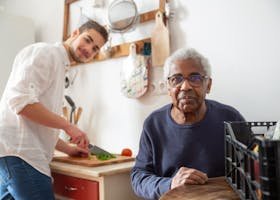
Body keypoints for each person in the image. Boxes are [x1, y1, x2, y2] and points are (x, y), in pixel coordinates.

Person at [0, 20, 108, 199]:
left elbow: (35, 124)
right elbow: (19, 102)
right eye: (87, 40)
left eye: (96, 48)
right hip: (22, 156)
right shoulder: (47, 53)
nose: (89, 49)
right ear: (74, 33)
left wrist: (68, 149)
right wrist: (68, 126)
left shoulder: (58, 63)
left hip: (13, 155)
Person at [131, 48, 245, 200]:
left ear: (208, 85)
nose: (185, 86)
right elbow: (139, 177)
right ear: (168, 88)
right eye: (176, 79)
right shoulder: (154, 124)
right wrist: (171, 184)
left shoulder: (230, 118)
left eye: (195, 78)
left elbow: (253, 167)